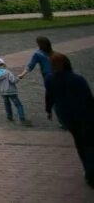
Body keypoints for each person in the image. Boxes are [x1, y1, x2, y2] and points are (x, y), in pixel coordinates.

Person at [45, 53, 94, 188]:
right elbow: (88, 98)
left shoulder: (49, 79)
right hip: (84, 115)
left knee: (80, 143)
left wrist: (48, 110)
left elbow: (49, 96)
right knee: (89, 144)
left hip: (66, 116)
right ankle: (91, 172)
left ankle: (88, 170)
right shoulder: (77, 79)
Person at [0, 57, 28, 124]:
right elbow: (13, 81)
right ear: (3, 64)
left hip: (3, 92)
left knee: (7, 104)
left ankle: (9, 117)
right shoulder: (8, 72)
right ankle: (22, 117)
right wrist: (19, 77)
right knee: (18, 105)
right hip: (12, 91)